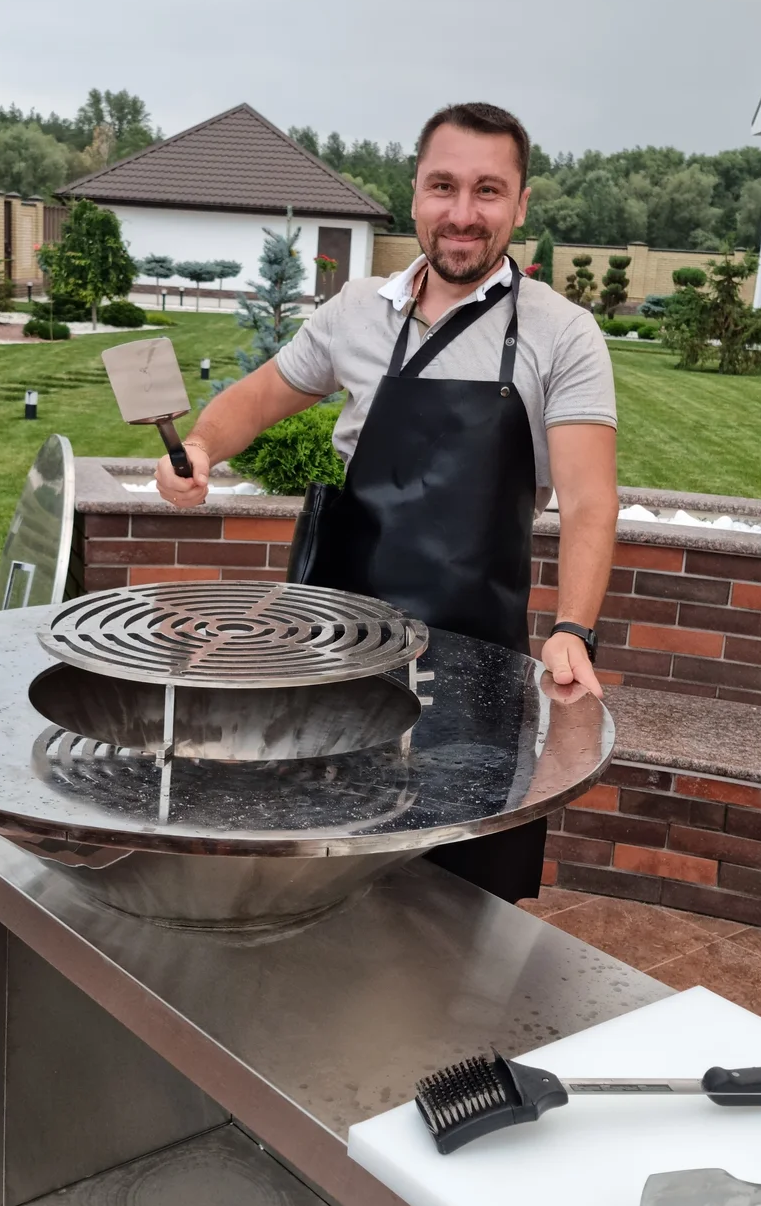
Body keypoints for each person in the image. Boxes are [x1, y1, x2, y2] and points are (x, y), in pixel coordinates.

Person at [155, 99, 619, 902]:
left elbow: (588, 501)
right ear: (414, 193)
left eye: (488, 190)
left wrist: (573, 629)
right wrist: (198, 448)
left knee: (457, 886)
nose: (463, 214)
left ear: (520, 203)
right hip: (336, 648)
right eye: (444, 186)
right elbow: (256, 399)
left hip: (476, 656)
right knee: (319, 866)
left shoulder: (562, 333)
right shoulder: (355, 314)